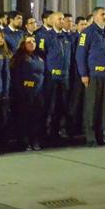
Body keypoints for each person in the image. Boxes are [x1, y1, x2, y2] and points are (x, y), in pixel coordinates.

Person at [77, 7, 105, 147]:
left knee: (103, 107)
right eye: (102, 14)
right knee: (91, 106)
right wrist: (84, 74)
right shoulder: (87, 33)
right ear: (95, 16)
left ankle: (101, 135)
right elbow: (80, 55)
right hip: (93, 74)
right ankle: (91, 137)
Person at [39, 11, 72, 144]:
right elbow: (41, 56)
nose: (62, 21)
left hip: (64, 77)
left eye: (63, 19)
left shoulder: (66, 37)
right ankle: (44, 134)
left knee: (62, 106)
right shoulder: (45, 37)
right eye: (59, 19)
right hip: (51, 77)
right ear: (52, 21)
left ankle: (57, 131)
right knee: (49, 106)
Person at [10, 35, 46, 151]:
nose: (32, 43)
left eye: (34, 41)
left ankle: (34, 140)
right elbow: (16, 77)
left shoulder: (39, 58)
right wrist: (21, 92)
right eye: (29, 42)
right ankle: (24, 142)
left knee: (36, 118)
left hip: (38, 93)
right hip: (24, 93)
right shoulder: (19, 58)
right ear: (23, 44)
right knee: (24, 118)